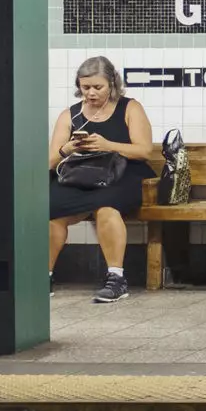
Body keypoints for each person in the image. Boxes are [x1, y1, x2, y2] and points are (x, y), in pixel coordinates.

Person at [47, 56, 158, 304]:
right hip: (82, 174)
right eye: (85, 87)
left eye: (98, 87)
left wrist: (108, 145)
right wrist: (69, 148)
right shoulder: (70, 115)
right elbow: (50, 161)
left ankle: (116, 278)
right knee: (52, 210)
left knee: (106, 207)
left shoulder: (130, 107)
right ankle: (44, 275)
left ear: (112, 83)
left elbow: (144, 150)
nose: (91, 93)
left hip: (124, 173)